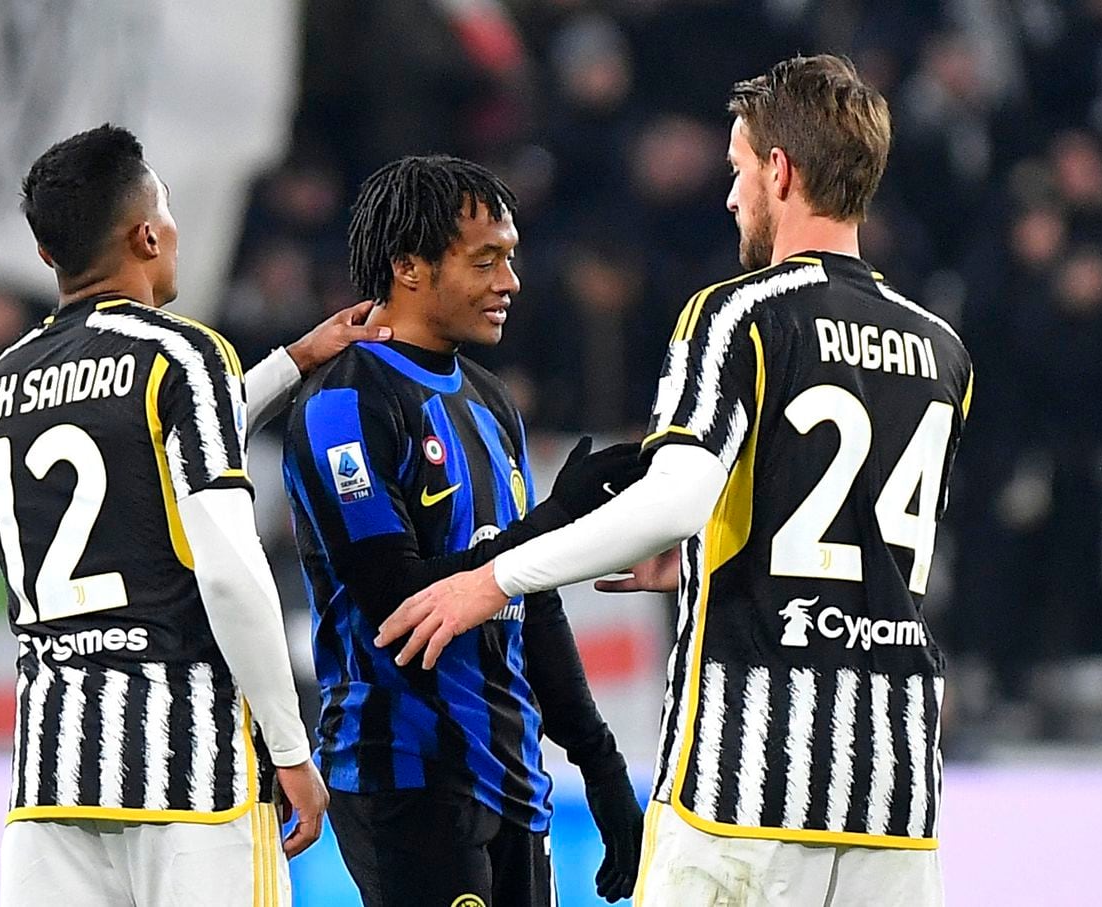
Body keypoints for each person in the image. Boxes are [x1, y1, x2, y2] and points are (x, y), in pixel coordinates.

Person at [378, 56, 973, 907]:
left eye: (738, 171)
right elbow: (862, 543)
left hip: (748, 792)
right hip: (897, 795)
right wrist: (703, 557)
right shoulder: (941, 350)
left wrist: (492, 578)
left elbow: (674, 499)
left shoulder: (739, 312)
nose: (731, 197)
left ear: (780, 171)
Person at [0, 124, 388, 907]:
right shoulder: (181, 355)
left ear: (47, 255)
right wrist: (292, 748)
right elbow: (231, 574)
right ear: (146, 234)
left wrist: (290, 362)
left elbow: (132, 444)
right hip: (192, 779)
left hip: (49, 782)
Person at [282, 155, 645, 906]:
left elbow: (525, 597)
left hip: (513, 780)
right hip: (406, 773)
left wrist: (603, 770)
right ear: (409, 267)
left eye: (510, 258)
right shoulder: (344, 403)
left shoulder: (489, 401)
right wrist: (549, 524)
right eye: (486, 260)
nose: (509, 281)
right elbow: (397, 604)